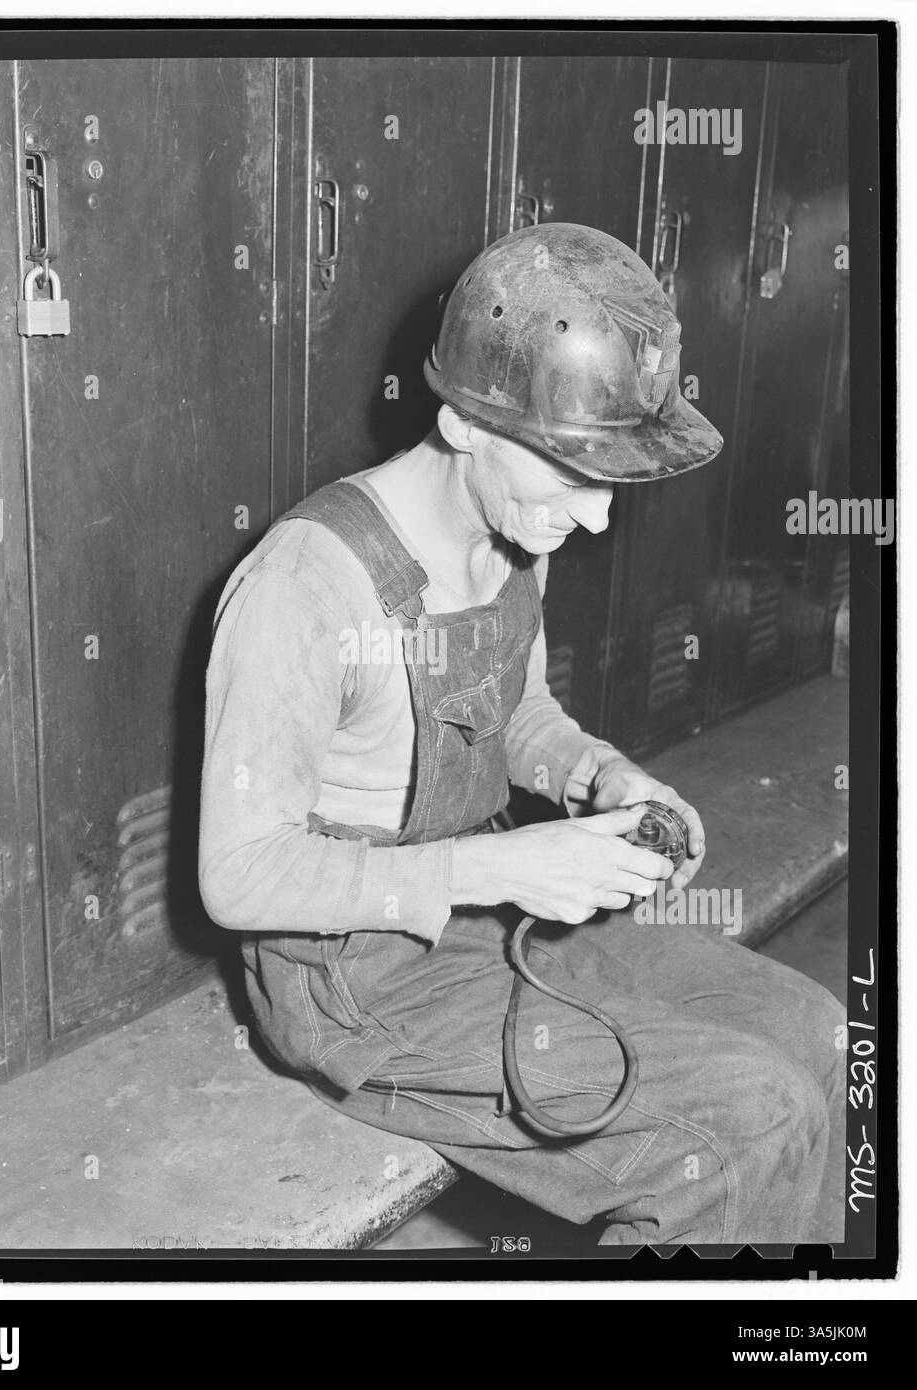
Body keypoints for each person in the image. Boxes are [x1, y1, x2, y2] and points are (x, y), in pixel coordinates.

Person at [199, 223, 844, 1245]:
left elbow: (517, 718)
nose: (593, 522)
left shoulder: (511, 534)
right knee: (741, 1125)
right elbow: (235, 874)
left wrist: (600, 776)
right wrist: (500, 866)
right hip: (357, 984)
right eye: (574, 477)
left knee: (812, 1032)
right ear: (463, 425)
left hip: (487, 921)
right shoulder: (301, 586)